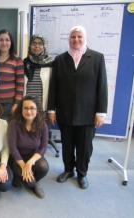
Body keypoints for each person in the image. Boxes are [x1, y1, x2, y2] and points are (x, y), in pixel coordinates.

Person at [47, 26, 108, 189]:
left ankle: (82, 173)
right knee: (67, 144)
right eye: (73, 36)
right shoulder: (60, 59)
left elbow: (102, 86)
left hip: (88, 113)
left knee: (85, 146)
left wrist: (101, 112)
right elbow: (54, 86)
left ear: (84, 38)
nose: (76, 39)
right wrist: (51, 110)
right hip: (65, 111)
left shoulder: (96, 58)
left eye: (79, 36)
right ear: (69, 39)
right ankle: (68, 170)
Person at [7, 95, 49, 199]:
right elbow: (13, 148)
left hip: (33, 156)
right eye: (25, 108)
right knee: (29, 183)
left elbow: (43, 148)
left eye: (32, 108)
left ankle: (35, 181)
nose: (28, 111)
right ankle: (21, 178)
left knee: (44, 167)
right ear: (21, 109)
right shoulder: (14, 124)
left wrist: (30, 163)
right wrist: (23, 165)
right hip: (17, 158)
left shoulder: (42, 125)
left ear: (37, 110)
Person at [0, 29, 24, 122]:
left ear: (11, 42)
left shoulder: (16, 59)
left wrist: (17, 103)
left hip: (8, 104)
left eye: (7, 40)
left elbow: (20, 84)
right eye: (1, 40)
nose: (4, 43)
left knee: (6, 132)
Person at [23, 34, 54, 111]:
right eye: (34, 43)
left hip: (43, 107)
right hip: (27, 107)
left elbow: (55, 87)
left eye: (40, 43)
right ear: (30, 45)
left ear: (43, 46)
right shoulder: (24, 63)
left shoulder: (51, 63)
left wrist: (52, 110)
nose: (37, 46)